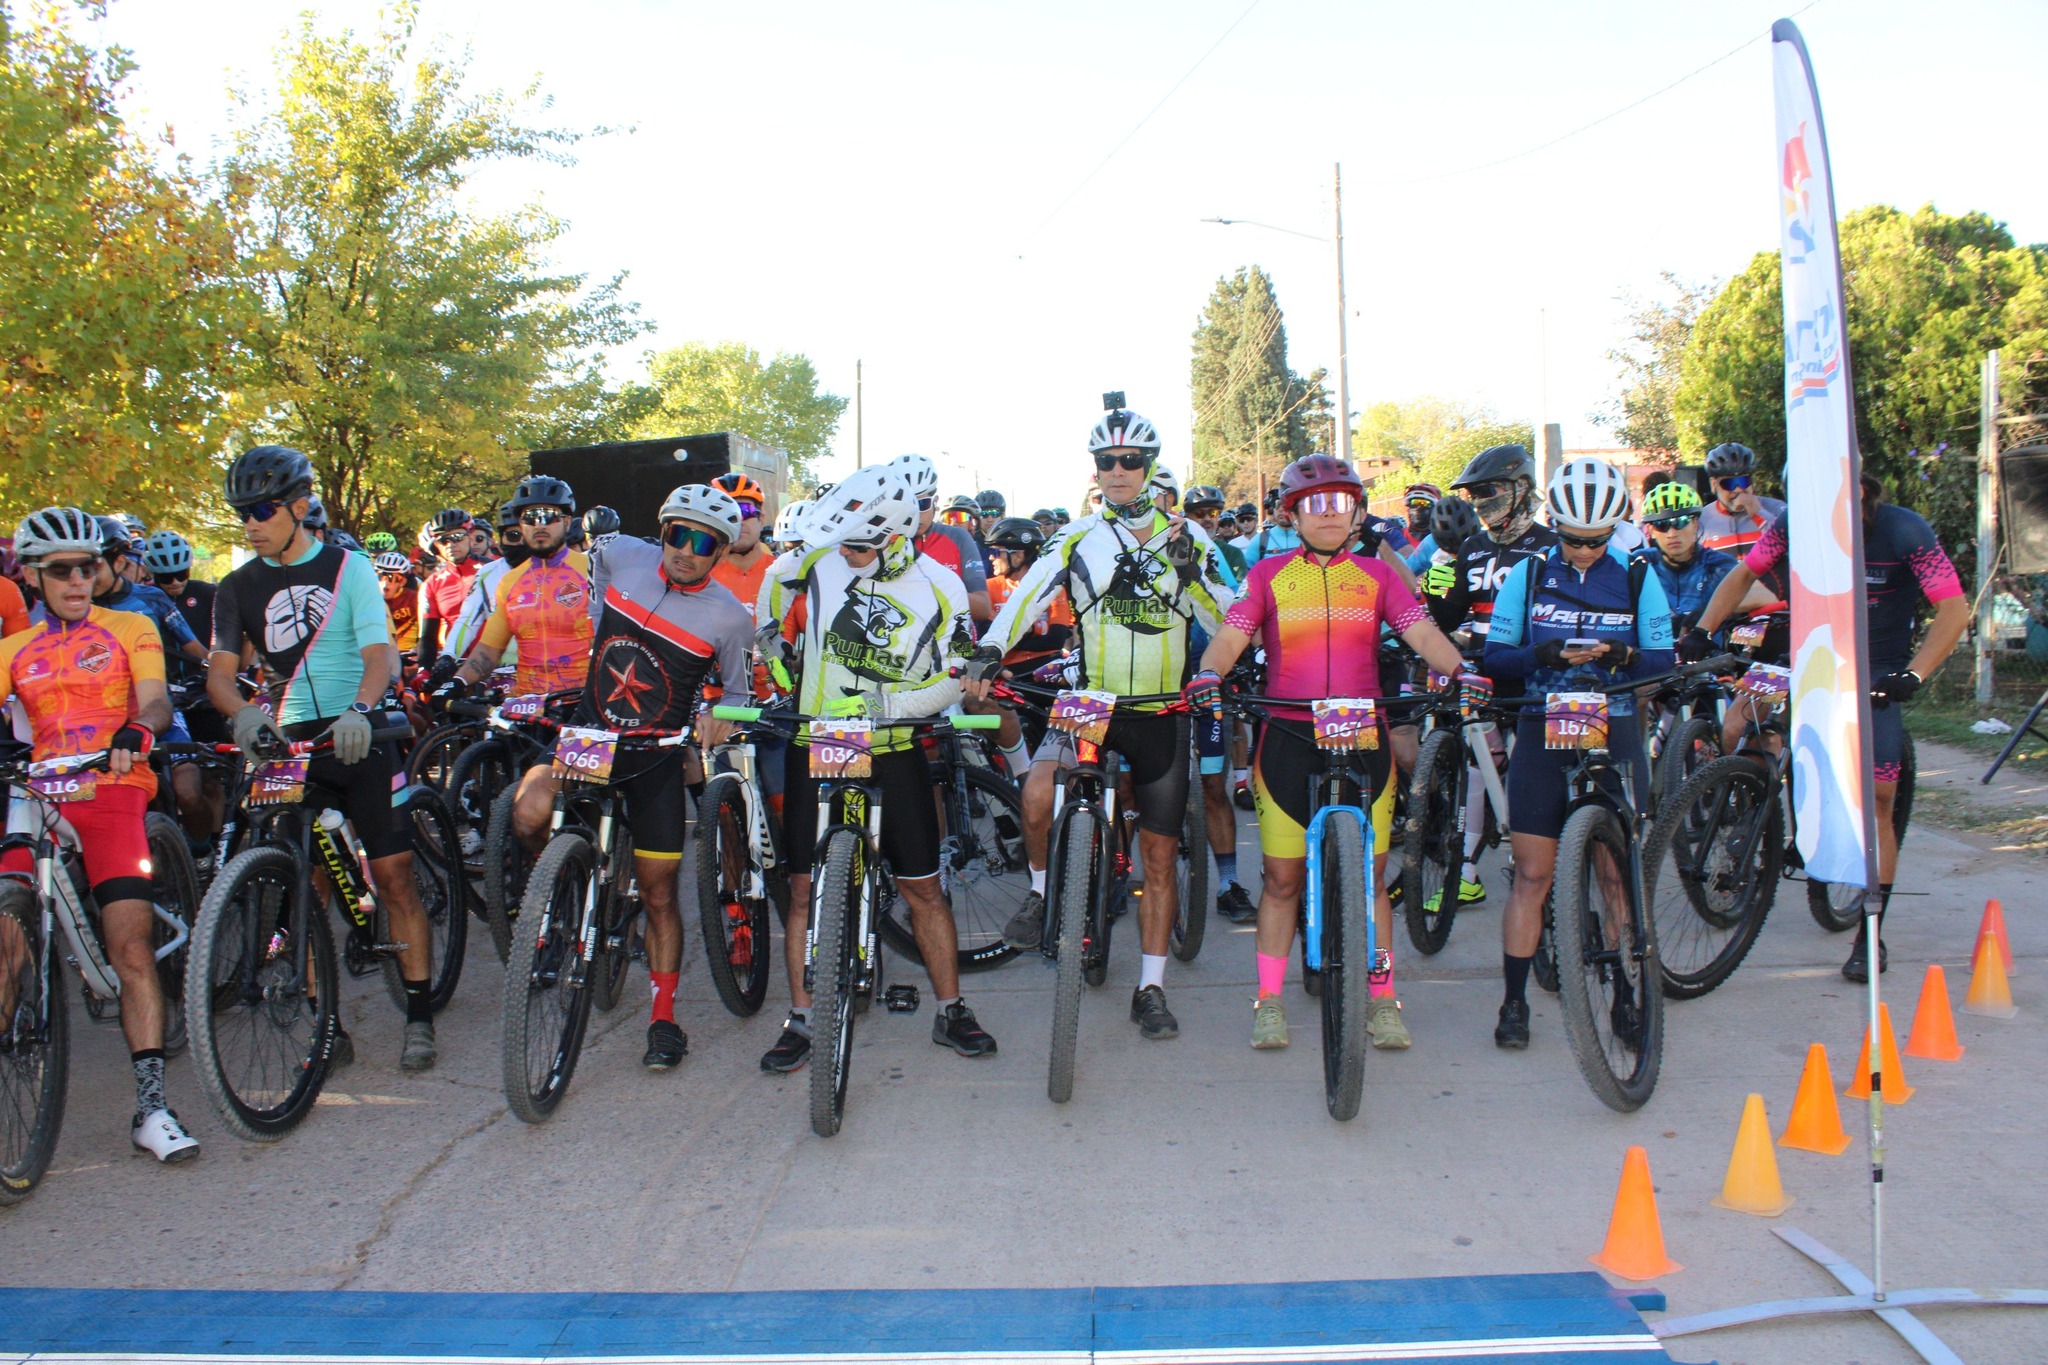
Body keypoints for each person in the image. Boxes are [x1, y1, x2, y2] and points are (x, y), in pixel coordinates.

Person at [967, 405, 1234, 1042]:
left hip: (1161, 708)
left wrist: (1192, 574)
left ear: (1148, 466)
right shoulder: (1076, 536)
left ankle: (1150, 987)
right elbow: (1028, 594)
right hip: (1091, 701)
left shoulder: (1189, 539)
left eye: (1130, 461)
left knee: (1160, 860)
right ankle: (1040, 891)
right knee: (1037, 793)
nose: (1117, 471)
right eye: (1106, 461)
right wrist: (991, 649)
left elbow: (1232, 619)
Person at [1188, 456, 1466, 1050]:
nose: (1329, 514)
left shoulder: (1378, 575)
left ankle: (1383, 998)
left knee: (1373, 878)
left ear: (1358, 512)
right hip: (1288, 738)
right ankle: (1268, 1000)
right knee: (1281, 880)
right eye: (1315, 504)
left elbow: (1421, 632)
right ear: (1292, 515)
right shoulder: (1267, 574)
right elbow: (1232, 634)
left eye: (1341, 503)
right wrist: (1210, 673)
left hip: (1365, 735)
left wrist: (1462, 671)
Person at [206, 446, 442, 1071]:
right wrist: (243, 713)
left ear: (299, 506)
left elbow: (377, 655)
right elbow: (220, 675)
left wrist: (361, 709)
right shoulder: (236, 587)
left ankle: (419, 1015)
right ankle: (325, 1023)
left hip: (357, 732)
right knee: (302, 886)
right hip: (292, 744)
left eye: (261, 510)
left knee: (393, 877)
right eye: (241, 514)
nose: (251, 524)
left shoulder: (348, 568)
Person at [756, 466, 998, 1070]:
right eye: (842, 544)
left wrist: (887, 706)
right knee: (803, 890)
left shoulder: (939, 584)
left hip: (893, 747)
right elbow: (773, 580)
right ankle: (802, 1017)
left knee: (924, 890)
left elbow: (956, 677)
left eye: (859, 548)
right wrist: (773, 647)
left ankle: (952, 1010)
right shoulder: (821, 559)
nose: (846, 554)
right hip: (819, 740)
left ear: (893, 538)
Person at [506, 482, 754, 1071]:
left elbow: (738, 694)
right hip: (590, 736)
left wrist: (717, 717)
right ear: (662, 531)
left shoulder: (729, 617)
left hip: (654, 754)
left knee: (660, 893)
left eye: (703, 543)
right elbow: (594, 588)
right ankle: (562, 892)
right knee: (528, 810)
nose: (686, 551)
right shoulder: (621, 554)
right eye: (677, 536)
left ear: (722, 552)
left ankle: (664, 1019)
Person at [1685, 475, 1968, 982]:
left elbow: (1953, 608)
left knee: (1878, 796)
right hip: (1807, 653)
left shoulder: (1905, 530)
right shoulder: (1794, 524)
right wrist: (1703, 630)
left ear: (1859, 489)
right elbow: (1743, 574)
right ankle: (1757, 813)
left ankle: (1869, 934)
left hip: (1874, 667)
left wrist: (1915, 674)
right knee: (1740, 721)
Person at [0, 507, 199, 1163]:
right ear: (33, 576)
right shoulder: (13, 649)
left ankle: (153, 1109)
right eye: (61, 570)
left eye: (87, 567)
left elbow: (156, 700)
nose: (78, 580)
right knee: (5, 940)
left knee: (131, 948)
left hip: (111, 786)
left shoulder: (131, 626)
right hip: (38, 793)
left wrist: (138, 728)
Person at [1483, 458, 1674, 1050]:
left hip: (1613, 724)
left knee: (1617, 875)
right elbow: (1496, 657)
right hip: (1544, 721)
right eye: (1572, 539)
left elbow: (1663, 661)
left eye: (1596, 541)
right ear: (1555, 527)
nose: (1585, 551)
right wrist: (1542, 656)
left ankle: (1624, 994)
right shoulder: (1529, 572)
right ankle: (1514, 1002)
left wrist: (1622, 655)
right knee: (1532, 875)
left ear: (1614, 530)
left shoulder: (1638, 575)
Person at [1422, 444, 1559, 909]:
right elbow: (1450, 616)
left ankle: (1544, 864)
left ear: (1522, 489)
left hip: (1531, 674)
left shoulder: (1549, 545)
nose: (1481, 502)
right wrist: (1435, 595)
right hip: (1481, 674)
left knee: (1530, 771)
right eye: (1475, 494)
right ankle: (1465, 873)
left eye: (1490, 491)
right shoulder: (1472, 548)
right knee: (1477, 771)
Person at [447, 476, 590, 699]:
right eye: (530, 517)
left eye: (549, 516)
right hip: (526, 703)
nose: (539, 524)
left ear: (567, 521)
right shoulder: (510, 581)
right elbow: (489, 649)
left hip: (582, 701)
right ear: (521, 525)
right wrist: (457, 682)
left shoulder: (593, 571)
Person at [892, 454, 993, 622]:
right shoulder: (885, 541)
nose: (915, 514)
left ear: (935, 501)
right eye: (906, 505)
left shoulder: (958, 537)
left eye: (922, 504)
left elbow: (982, 608)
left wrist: (926, 591)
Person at [1633, 482, 1736, 631]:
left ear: (1695, 523)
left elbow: (1759, 594)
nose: (1672, 533)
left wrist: (1706, 612)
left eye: (1680, 522)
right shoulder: (1639, 563)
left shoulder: (1718, 564)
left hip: (1707, 644)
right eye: (1661, 524)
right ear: (1651, 531)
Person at [446, 503, 525, 664]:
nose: (521, 542)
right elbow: (467, 620)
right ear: (500, 539)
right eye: (514, 535)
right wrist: (448, 656)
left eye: (529, 534)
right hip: (504, 668)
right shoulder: (487, 573)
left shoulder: (556, 569)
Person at [415, 508, 480, 670]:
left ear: (471, 537)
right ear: (436, 545)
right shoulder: (432, 584)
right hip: (454, 664)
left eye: (457, 537)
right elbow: (427, 636)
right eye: (443, 540)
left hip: (497, 662)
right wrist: (424, 670)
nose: (451, 544)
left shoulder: (493, 569)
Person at [708, 471, 774, 621]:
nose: (737, 521)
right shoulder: (700, 576)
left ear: (761, 518)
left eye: (744, 510)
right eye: (725, 514)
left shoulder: (785, 574)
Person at [1697, 443, 1785, 556]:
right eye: (1729, 483)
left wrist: (1758, 512)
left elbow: (1794, 544)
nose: (1738, 489)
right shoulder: (1700, 520)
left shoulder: (1776, 509)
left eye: (1743, 481)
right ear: (1713, 485)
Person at [1185, 485, 1247, 584]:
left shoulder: (1233, 554)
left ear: (1218, 516)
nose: (1207, 518)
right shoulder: (1179, 550)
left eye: (1213, 513)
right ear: (1188, 517)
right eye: (1200, 513)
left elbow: (1241, 590)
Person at [375, 551, 422, 650]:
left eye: (391, 578)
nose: (385, 583)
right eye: (380, 576)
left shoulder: (414, 598)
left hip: (407, 652)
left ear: (402, 582)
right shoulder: (369, 599)